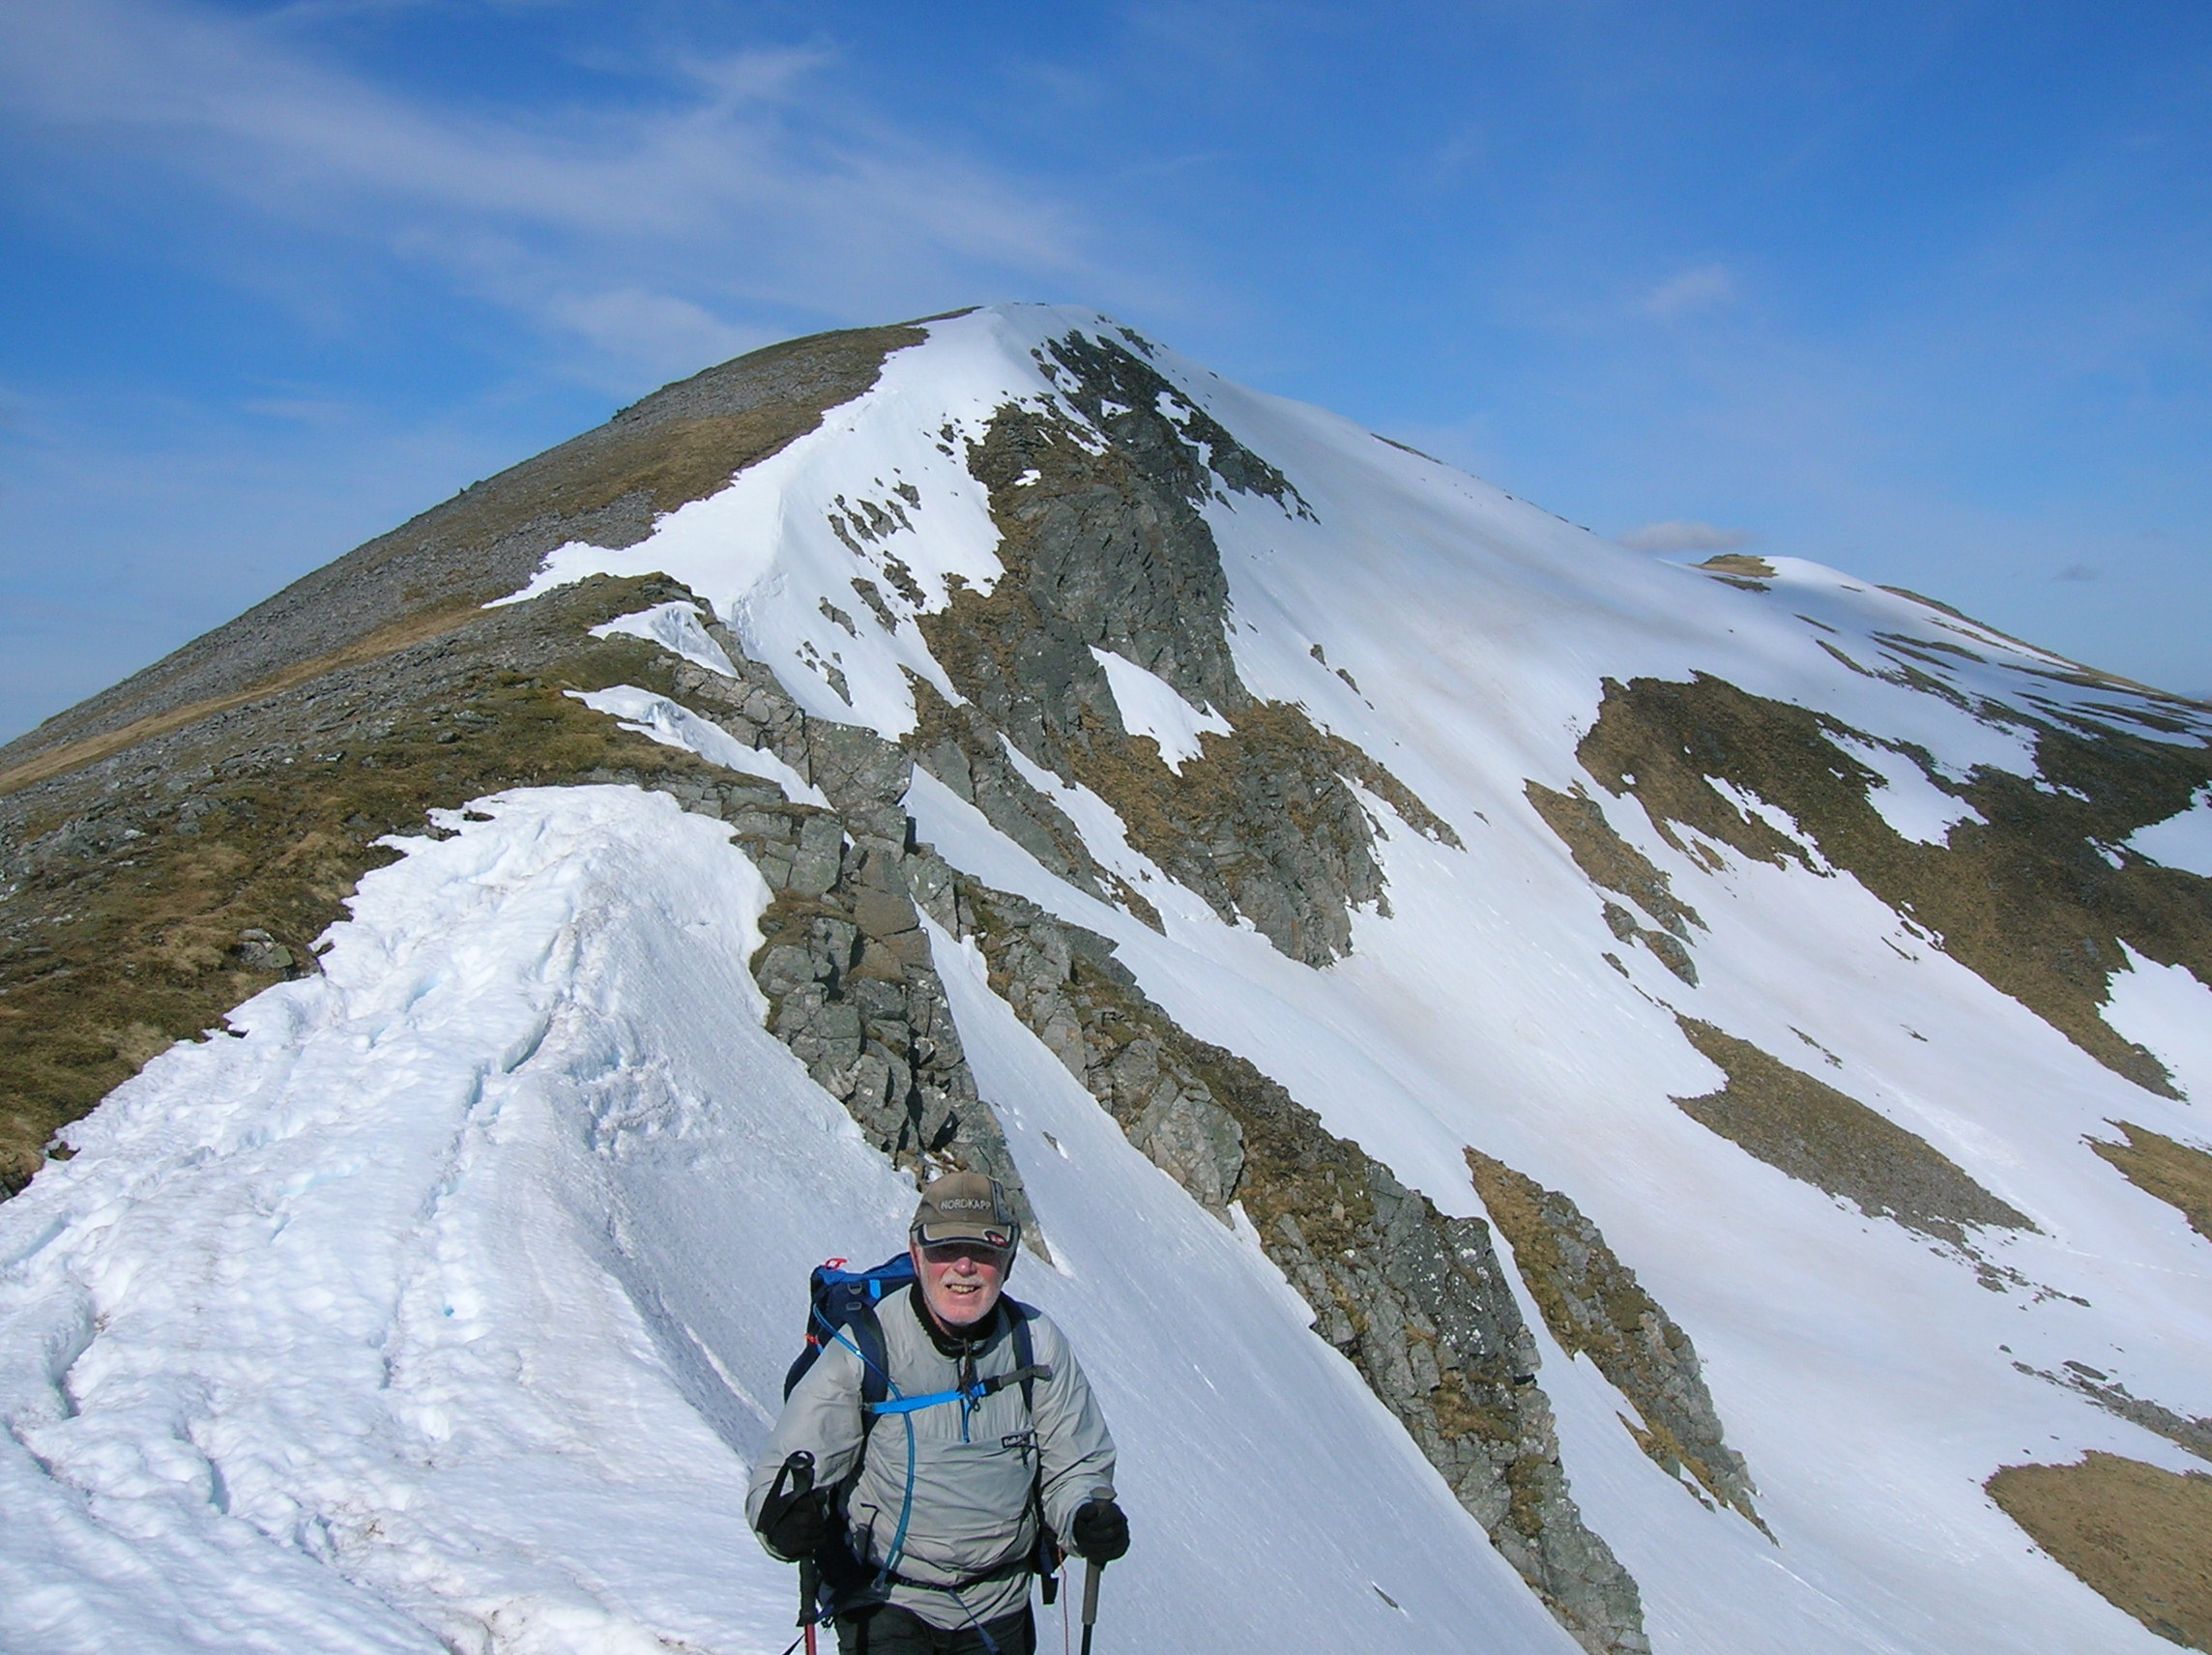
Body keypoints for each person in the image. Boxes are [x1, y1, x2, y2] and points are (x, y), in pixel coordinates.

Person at [748, 1173, 1129, 1654]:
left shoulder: (1036, 1344)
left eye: (984, 1250)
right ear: (916, 1255)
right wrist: (783, 1523)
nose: (964, 1267)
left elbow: (1075, 1466)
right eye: (946, 1249)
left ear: (1008, 1260)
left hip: (1001, 1606)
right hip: (884, 1602)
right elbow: (786, 1471)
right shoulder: (866, 1348)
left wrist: (1084, 1516)